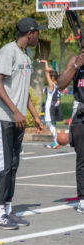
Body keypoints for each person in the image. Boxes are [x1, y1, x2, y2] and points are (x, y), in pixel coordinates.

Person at [0, 18, 44, 229]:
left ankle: (8, 210)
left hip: (17, 118)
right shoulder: (7, 51)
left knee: (13, 164)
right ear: (30, 33)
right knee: (3, 165)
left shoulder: (27, 55)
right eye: (37, 32)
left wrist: (34, 116)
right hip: (3, 117)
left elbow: (23, 89)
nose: (39, 36)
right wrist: (14, 110)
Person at [57, 38, 84, 213]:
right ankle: (82, 198)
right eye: (82, 45)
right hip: (81, 113)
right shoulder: (75, 60)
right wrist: (76, 67)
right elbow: (60, 84)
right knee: (82, 159)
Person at [40, 60, 62, 149]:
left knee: (49, 124)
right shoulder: (57, 85)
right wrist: (49, 68)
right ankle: (55, 140)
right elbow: (52, 73)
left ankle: (56, 140)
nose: (48, 77)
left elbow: (46, 74)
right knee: (51, 124)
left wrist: (45, 64)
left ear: (52, 78)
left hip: (50, 108)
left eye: (50, 76)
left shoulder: (52, 85)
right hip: (54, 107)